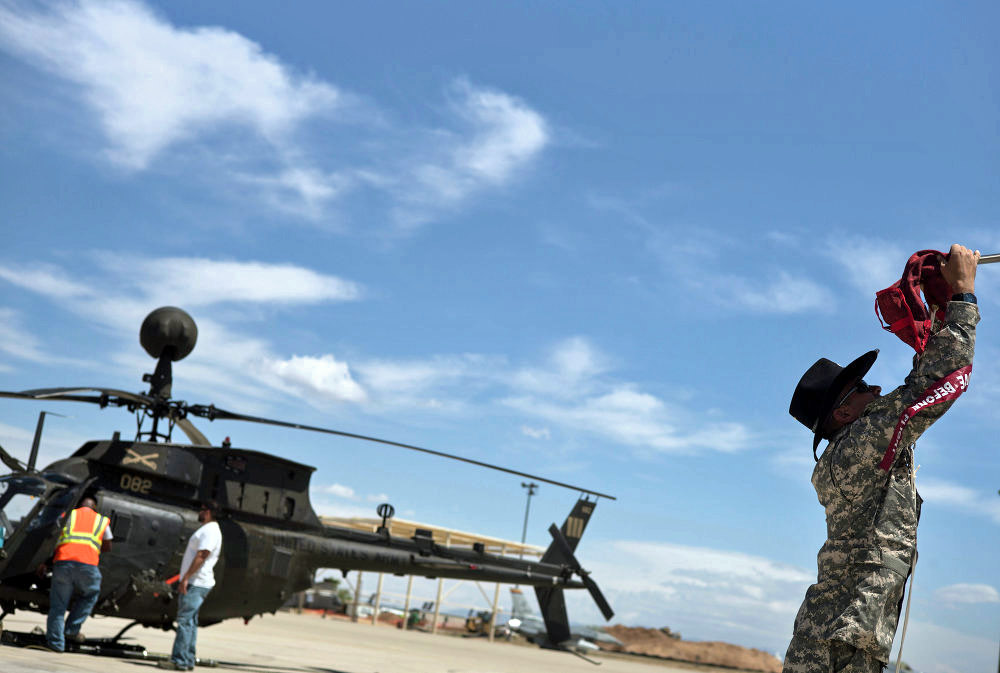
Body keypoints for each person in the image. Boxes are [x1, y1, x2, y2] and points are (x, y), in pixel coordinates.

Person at [783, 244, 980, 672]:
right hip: (843, 640)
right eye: (863, 388)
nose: (874, 390)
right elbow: (934, 386)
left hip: (832, 637)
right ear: (842, 413)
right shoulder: (860, 444)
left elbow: (919, 386)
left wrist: (940, 315)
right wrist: (962, 296)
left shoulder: (848, 452)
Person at [159, 501, 223, 671]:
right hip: (199, 581)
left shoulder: (210, 531)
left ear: (208, 512)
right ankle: (187, 659)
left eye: (202, 509)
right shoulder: (211, 530)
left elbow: (202, 555)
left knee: (185, 621)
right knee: (191, 622)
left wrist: (186, 578)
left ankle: (179, 660)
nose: (199, 512)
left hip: (196, 582)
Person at [46, 494, 112, 652]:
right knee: (91, 594)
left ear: (79, 505)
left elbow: (52, 537)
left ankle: (56, 644)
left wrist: (45, 562)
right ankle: (71, 630)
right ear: (94, 507)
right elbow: (108, 546)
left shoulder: (68, 515)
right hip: (87, 565)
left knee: (58, 607)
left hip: (63, 563)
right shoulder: (101, 520)